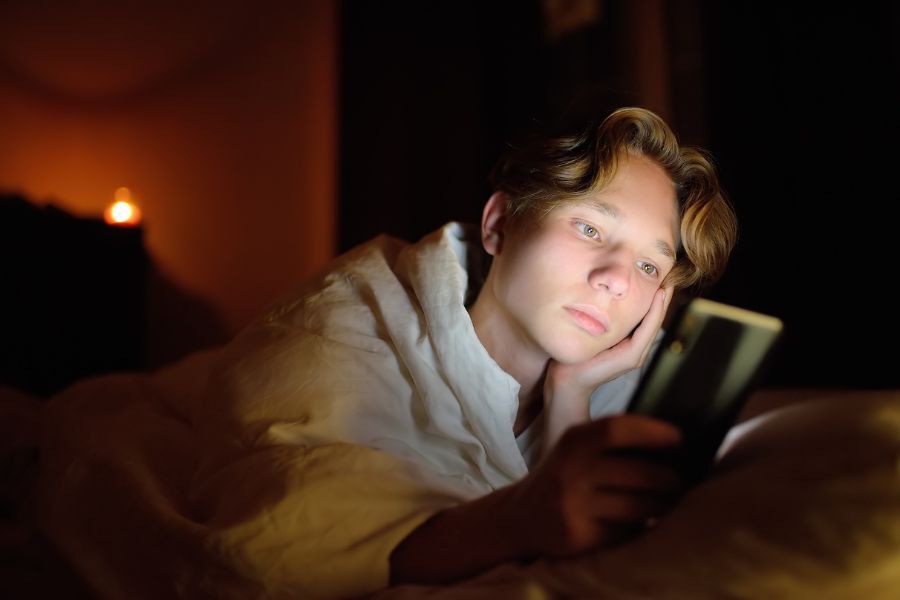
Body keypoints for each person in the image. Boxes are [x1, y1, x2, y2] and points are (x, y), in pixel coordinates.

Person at [34, 105, 737, 599]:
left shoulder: (618, 380)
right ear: (498, 223)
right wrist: (517, 518)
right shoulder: (340, 325)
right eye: (590, 228)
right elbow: (261, 555)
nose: (618, 279)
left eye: (651, 266)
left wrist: (572, 394)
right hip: (135, 426)